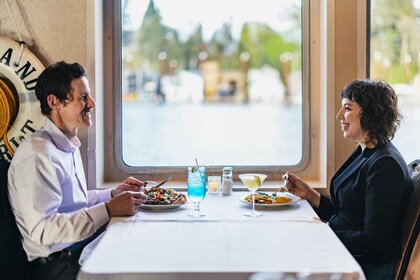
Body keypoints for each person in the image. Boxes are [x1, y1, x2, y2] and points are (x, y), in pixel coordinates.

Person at [7, 61, 148, 280]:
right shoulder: (37, 155)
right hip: (57, 266)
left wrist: (112, 195)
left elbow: (73, 204)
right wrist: (109, 209)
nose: (91, 103)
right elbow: (43, 230)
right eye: (83, 97)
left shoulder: (65, 144)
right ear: (54, 102)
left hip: (75, 249)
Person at [284, 79, 413, 279]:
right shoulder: (366, 150)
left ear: (370, 113)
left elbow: (373, 241)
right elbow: (347, 214)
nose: (339, 116)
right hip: (349, 253)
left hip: (365, 268)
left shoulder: (385, 165)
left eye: (347, 108)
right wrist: (310, 194)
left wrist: (325, 234)